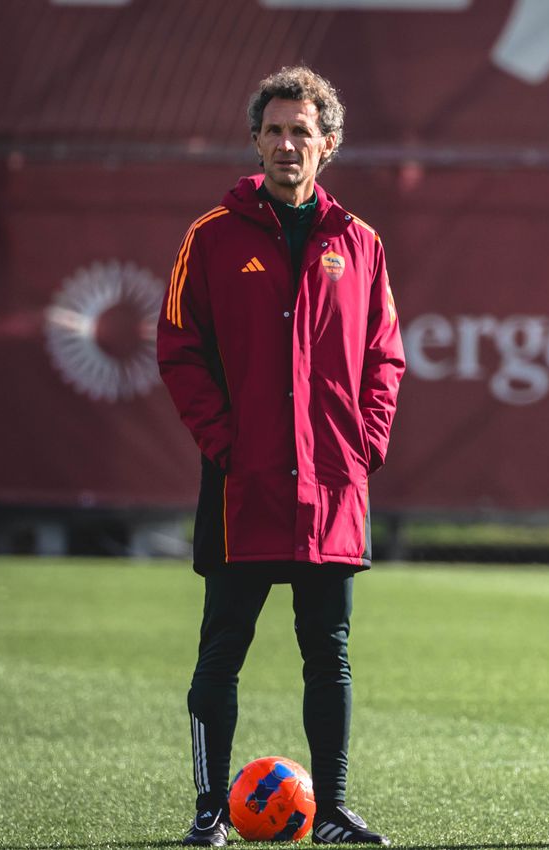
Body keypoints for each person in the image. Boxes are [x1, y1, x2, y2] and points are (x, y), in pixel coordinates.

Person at [158, 66, 405, 846]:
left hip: (333, 490)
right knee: (221, 651)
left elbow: (384, 356)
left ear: (327, 146)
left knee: (327, 657)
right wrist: (223, 443)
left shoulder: (359, 243)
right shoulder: (211, 238)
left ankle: (329, 808)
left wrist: (363, 446)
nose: (287, 144)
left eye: (303, 131)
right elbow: (179, 350)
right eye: (275, 130)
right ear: (256, 141)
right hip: (243, 488)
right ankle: (207, 811)